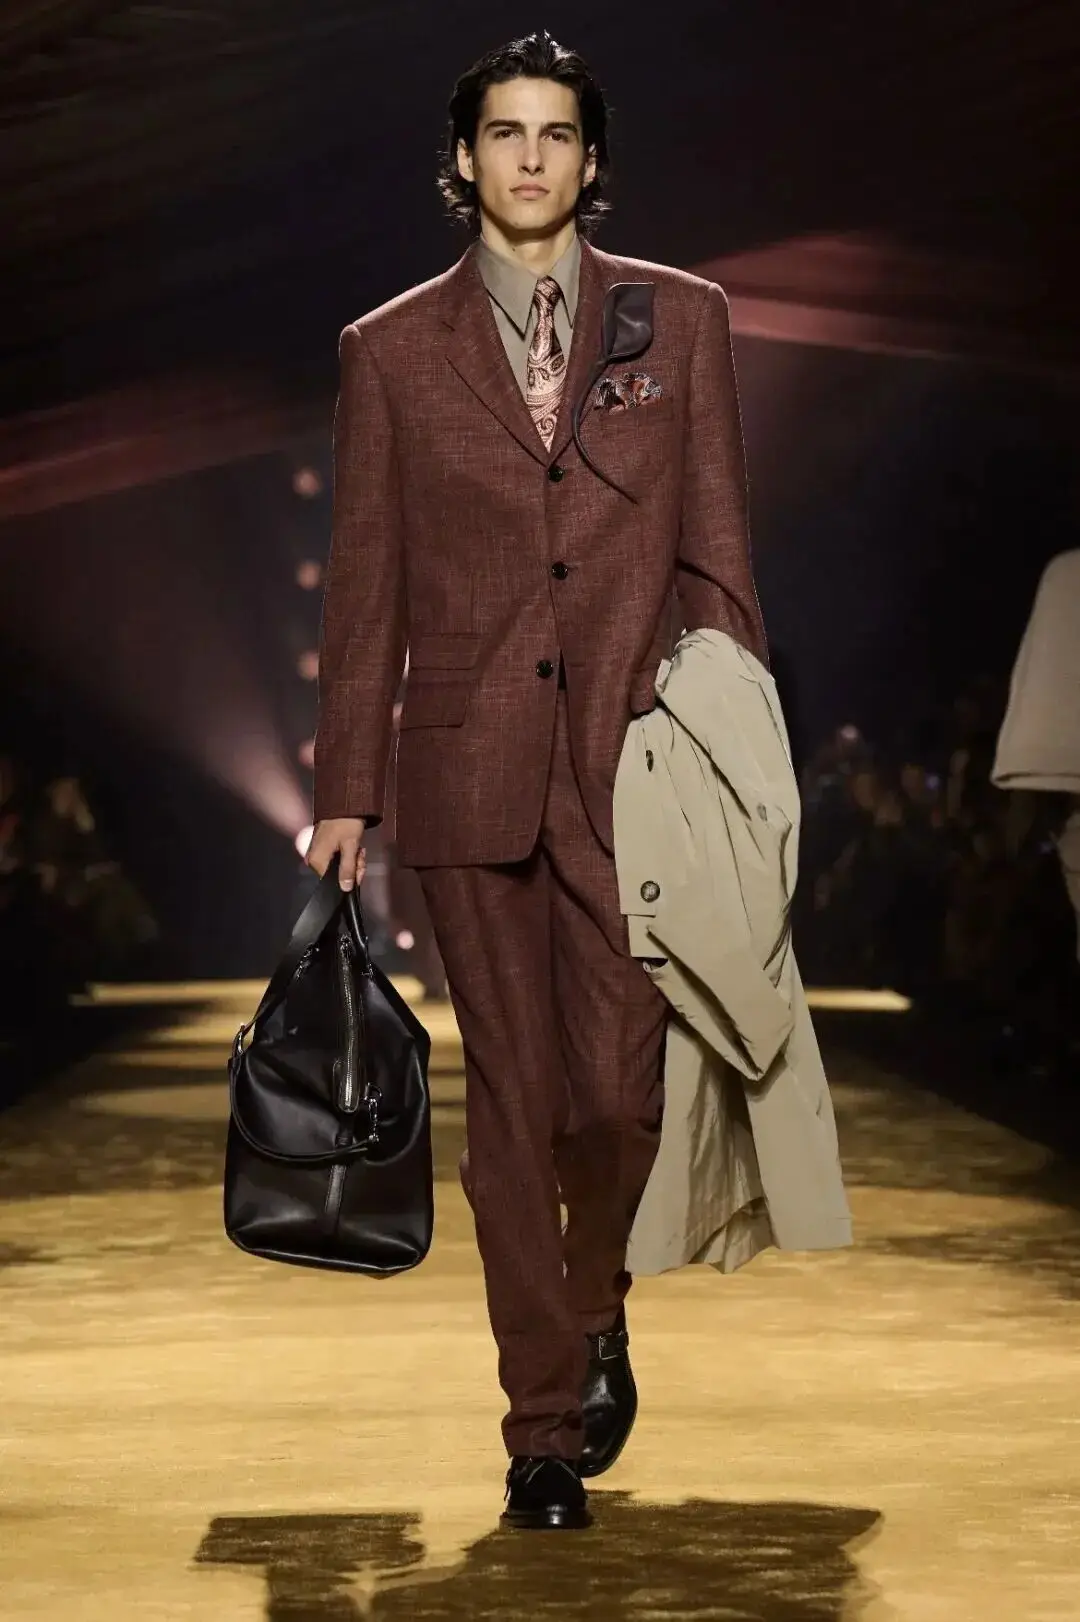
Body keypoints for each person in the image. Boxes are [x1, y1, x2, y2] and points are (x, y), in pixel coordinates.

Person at [306, 32, 766, 1530]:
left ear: (590, 159)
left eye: (555, 134)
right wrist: (346, 790)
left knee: (619, 1101)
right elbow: (364, 584)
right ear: (464, 159)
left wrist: (741, 757)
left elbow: (718, 555)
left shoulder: (680, 320)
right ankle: (542, 1431)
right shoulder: (390, 350)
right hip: (467, 766)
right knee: (512, 1102)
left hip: (640, 766)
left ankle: (597, 1294)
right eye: (503, 132)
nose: (528, 157)